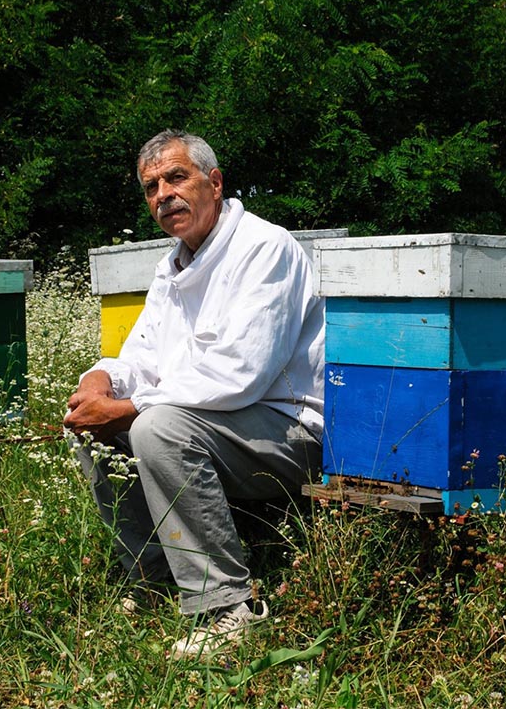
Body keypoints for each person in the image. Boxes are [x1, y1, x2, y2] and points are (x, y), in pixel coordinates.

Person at [64, 129, 325, 659]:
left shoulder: (263, 248)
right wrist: (99, 381)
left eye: (176, 178)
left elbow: (240, 373)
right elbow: (142, 356)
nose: (164, 195)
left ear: (215, 182)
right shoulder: (174, 265)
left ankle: (228, 607)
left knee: (156, 427)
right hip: (220, 428)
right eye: (151, 187)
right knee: (89, 427)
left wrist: (129, 408)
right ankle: (151, 576)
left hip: (290, 430)